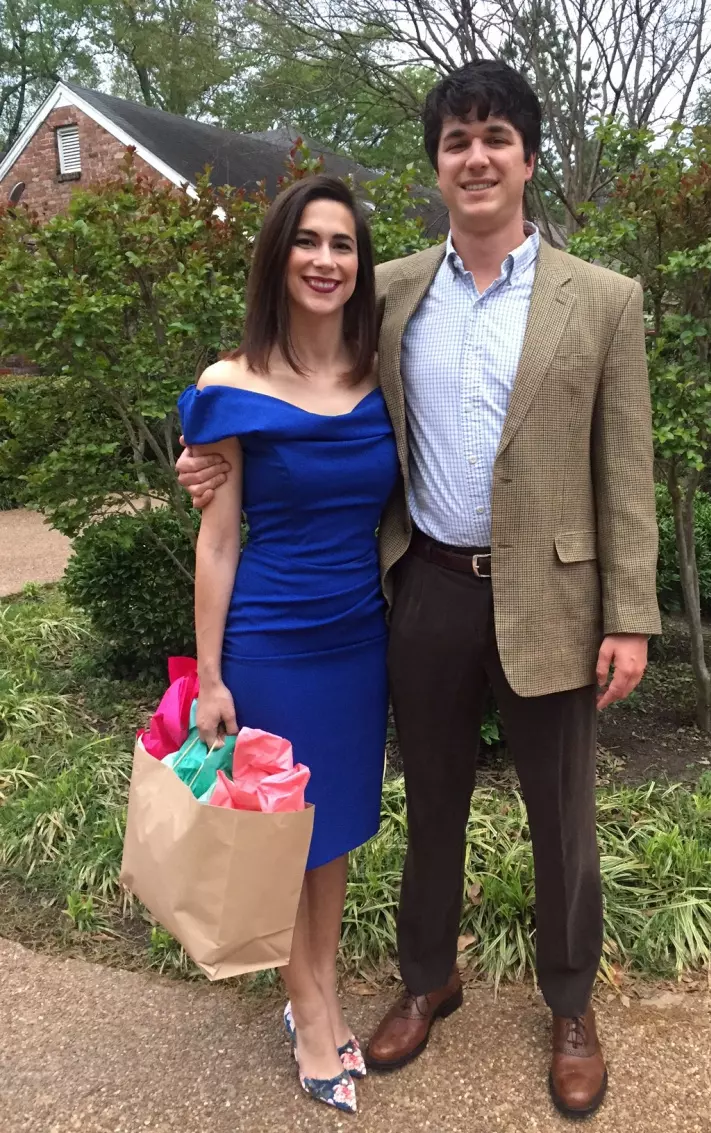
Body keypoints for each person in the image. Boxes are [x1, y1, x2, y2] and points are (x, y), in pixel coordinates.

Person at [178, 61, 660, 1120]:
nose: (475, 158)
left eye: (496, 138)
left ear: (527, 159)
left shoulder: (603, 300)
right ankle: (427, 978)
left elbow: (627, 471)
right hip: (424, 587)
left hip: (551, 599)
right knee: (431, 801)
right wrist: (210, 449)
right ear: (437, 165)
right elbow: (286, 370)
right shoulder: (388, 289)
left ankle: (569, 1003)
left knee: (561, 813)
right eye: (456, 142)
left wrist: (630, 615)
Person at [179, 175, 398, 1116]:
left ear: (360, 266)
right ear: (279, 257)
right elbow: (218, 540)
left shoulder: (381, 375)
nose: (325, 259)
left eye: (342, 244)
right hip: (269, 641)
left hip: (359, 642)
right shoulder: (230, 385)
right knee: (282, 830)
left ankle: (321, 983)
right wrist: (210, 677)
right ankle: (307, 1006)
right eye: (308, 240)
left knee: (333, 826)